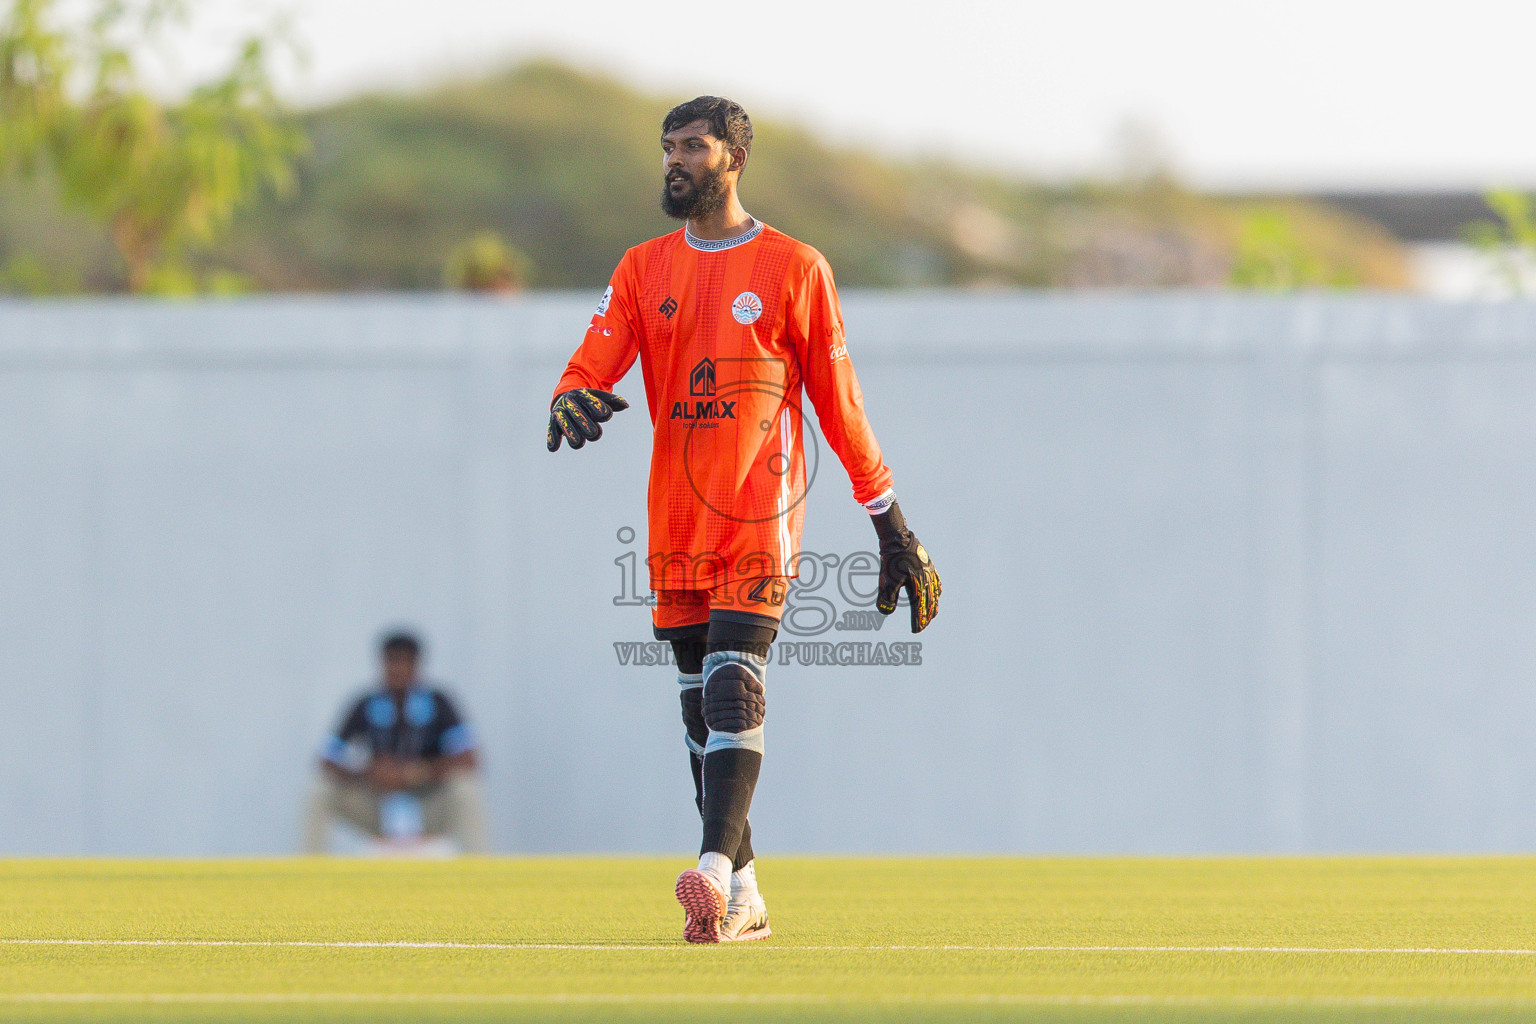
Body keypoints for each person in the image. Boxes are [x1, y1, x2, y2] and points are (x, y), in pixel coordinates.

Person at [546, 96, 941, 942]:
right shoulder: (642, 268)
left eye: (693, 146)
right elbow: (590, 363)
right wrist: (567, 396)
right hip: (674, 518)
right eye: (668, 147)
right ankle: (746, 896)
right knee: (699, 710)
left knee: (734, 684)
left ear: (735, 158)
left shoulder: (794, 267)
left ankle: (711, 868)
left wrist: (891, 524)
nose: (675, 160)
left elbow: (839, 404)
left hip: (759, 514)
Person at [304, 631, 488, 853]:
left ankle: (479, 866)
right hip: (379, 807)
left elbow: (469, 758)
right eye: (392, 661)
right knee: (320, 790)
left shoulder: (439, 702)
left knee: (466, 789)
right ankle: (308, 867)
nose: (398, 669)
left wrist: (419, 772)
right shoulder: (365, 704)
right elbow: (327, 758)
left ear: (417, 665)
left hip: (426, 805)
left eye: (405, 661)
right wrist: (369, 772)